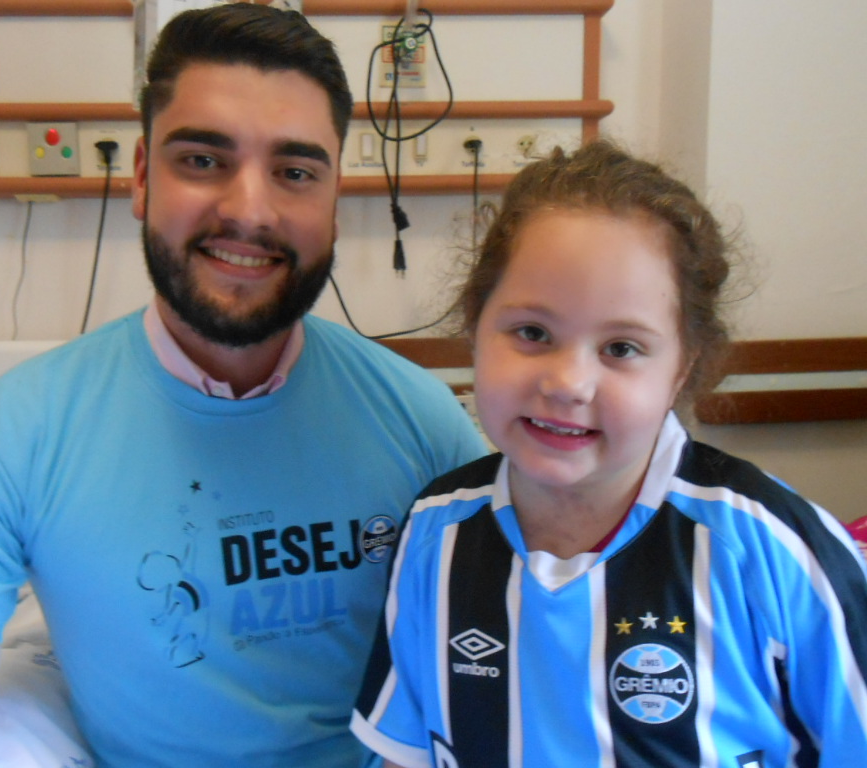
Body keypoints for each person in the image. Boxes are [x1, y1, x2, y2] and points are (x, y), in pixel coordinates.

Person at [0, 5, 486, 767]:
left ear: (334, 200)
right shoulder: (9, 438)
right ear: (143, 178)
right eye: (204, 161)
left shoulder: (423, 425)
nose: (249, 210)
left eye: (295, 171)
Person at [351, 140, 867, 767]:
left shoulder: (772, 551)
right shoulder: (437, 533)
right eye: (532, 333)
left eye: (621, 348)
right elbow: (404, 751)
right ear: (474, 327)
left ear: (683, 368)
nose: (568, 382)